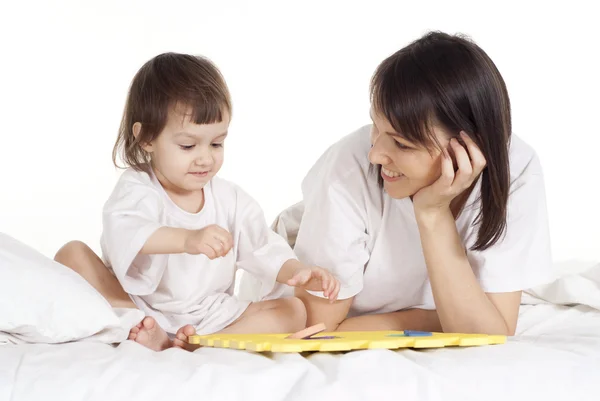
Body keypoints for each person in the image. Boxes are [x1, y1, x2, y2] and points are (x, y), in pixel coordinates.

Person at [54, 52, 340, 351]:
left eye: (217, 143)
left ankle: (199, 345)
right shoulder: (138, 187)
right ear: (146, 138)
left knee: (293, 311)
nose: (206, 158)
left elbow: (263, 247)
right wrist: (188, 239)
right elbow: (126, 230)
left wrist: (298, 272)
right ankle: (142, 330)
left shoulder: (230, 199)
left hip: (209, 315)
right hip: (137, 305)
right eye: (188, 145)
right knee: (71, 254)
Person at [292, 31, 555, 336]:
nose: (376, 154)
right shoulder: (348, 169)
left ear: (469, 148)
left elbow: (490, 333)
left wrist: (432, 213)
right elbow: (317, 329)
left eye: (402, 145)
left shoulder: (516, 170)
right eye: (375, 127)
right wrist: (440, 320)